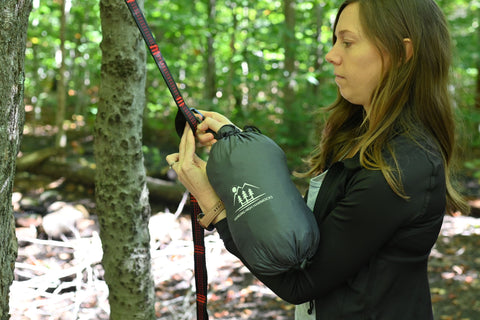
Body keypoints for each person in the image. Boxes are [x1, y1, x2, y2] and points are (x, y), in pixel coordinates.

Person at [166, 0, 469, 318]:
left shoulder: (400, 167)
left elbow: (299, 282)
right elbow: (298, 224)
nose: (332, 55)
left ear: (402, 53)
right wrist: (235, 148)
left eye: (348, 42)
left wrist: (215, 206)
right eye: (335, 40)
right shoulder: (357, 138)